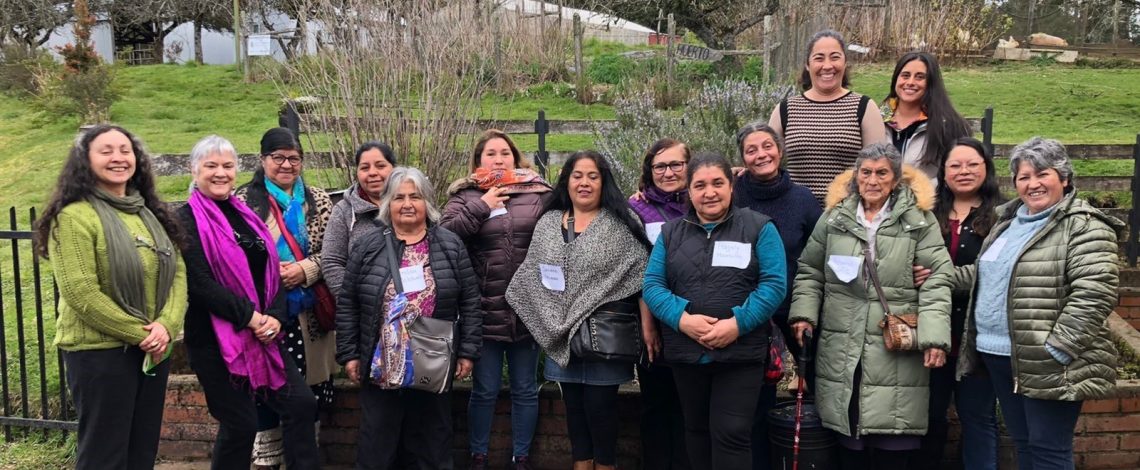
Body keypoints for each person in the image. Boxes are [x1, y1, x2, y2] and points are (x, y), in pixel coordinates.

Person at [956, 137, 1121, 470]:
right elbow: (990, 273)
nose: (1032, 184)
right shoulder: (1007, 222)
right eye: (1023, 177)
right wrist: (937, 276)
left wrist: (1058, 347)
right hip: (999, 354)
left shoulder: (1084, 226)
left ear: (1064, 178)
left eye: (1041, 174)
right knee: (1024, 444)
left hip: (1047, 358)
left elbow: (1095, 291)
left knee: (1048, 450)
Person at [789, 143, 953, 469]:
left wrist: (934, 338)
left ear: (895, 179)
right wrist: (804, 314)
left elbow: (937, 280)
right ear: (856, 176)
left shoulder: (918, 221)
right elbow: (810, 270)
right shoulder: (835, 218)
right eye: (866, 172)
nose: (872, 180)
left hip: (894, 343)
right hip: (843, 339)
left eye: (882, 173)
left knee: (894, 437)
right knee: (850, 441)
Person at [34, 125, 187, 470]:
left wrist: (166, 326)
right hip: (100, 353)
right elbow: (80, 292)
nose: (118, 157)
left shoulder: (148, 212)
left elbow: (177, 273)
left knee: (141, 451)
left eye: (125, 149)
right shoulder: (73, 217)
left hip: (152, 350)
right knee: (104, 454)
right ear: (85, 161)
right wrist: (144, 334)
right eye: (106, 151)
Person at [178, 135, 321, 470]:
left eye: (227, 165)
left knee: (301, 404)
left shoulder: (245, 214)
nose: (220, 173)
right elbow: (200, 285)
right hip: (215, 341)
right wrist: (253, 319)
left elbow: (271, 270)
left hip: (263, 336)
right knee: (240, 423)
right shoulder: (185, 219)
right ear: (194, 169)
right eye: (210, 165)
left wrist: (273, 316)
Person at [643, 152, 788, 470]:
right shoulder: (670, 234)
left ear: (731, 186)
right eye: (700, 185)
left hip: (740, 352)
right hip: (687, 352)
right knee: (695, 431)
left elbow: (774, 285)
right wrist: (683, 320)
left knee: (732, 433)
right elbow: (653, 286)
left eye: (717, 183)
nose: (709, 192)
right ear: (689, 191)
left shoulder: (758, 228)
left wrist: (737, 324)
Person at [506, 151, 650, 470]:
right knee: (573, 409)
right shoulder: (547, 223)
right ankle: (580, 465)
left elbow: (640, 273)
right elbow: (534, 274)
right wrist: (545, 315)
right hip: (561, 335)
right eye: (577, 176)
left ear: (604, 182)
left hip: (604, 336)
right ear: (567, 181)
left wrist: (648, 326)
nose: (584, 183)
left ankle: (605, 465)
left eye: (593, 176)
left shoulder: (621, 222)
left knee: (601, 409)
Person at [335, 166, 483, 469]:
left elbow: (470, 301)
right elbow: (348, 302)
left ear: (426, 202)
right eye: (399, 197)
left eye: (414, 196)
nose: (407, 204)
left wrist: (468, 351)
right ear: (387, 203)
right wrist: (349, 354)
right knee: (378, 440)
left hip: (432, 360)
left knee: (430, 440)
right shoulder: (367, 246)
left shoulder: (449, 244)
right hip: (381, 362)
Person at [441, 129, 552, 470]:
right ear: (478, 161)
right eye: (490, 153)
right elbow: (444, 235)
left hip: (528, 306)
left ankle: (521, 457)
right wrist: (481, 205)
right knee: (485, 389)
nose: (499, 159)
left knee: (525, 388)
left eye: (505, 152)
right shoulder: (464, 195)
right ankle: (479, 455)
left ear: (516, 158)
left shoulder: (538, 192)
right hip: (483, 307)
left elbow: (570, 220)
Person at [234, 127, 336, 468]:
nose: (286, 165)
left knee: (309, 394)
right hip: (262, 316)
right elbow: (229, 257)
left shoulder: (319, 201)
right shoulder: (243, 201)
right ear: (262, 160)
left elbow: (334, 254)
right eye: (278, 158)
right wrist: (269, 273)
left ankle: (301, 459)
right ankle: (267, 462)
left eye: (294, 158)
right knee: (265, 391)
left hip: (308, 314)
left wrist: (304, 269)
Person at [729, 123, 822, 469]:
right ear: (742, 159)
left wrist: (809, 310)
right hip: (751, 311)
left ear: (780, 151)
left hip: (795, 307)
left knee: (816, 384)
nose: (761, 155)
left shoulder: (802, 198)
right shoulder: (733, 195)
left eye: (767, 146)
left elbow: (821, 250)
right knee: (755, 396)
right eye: (751, 150)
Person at [908, 137, 1003, 470]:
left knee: (977, 418)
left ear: (986, 169)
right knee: (929, 418)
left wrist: (938, 276)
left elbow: (996, 271)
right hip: (929, 332)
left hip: (976, 336)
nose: (964, 171)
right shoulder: (925, 213)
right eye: (955, 165)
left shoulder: (1001, 217)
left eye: (972, 164)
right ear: (943, 172)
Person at [626, 138, 691, 470]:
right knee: (656, 405)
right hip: (652, 319)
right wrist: (648, 324)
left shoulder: (703, 201)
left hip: (695, 321)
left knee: (689, 408)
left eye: (676, 164)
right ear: (649, 171)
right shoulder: (636, 209)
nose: (668, 172)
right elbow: (636, 269)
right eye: (660, 166)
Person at [768, 29, 888, 204]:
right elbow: (765, 159)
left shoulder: (864, 108)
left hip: (847, 216)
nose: (827, 65)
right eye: (819, 58)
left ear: (845, 62)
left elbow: (878, 169)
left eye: (835, 57)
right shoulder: (786, 109)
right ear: (807, 65)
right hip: (797, 214)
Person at [882, 51, 973, 181]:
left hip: (929, 200)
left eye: (920, 77)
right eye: (905, 75)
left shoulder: (949, 125)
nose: (910, 82)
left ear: (931, 83)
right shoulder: (874, 119)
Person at [323, 141, 397, 293]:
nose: (372, 173)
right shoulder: (343, 211)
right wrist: (350, 302)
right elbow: (332, 262)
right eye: (364, 168)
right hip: (364, 307)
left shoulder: (411, 206)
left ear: (394, 169)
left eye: (380, 166)